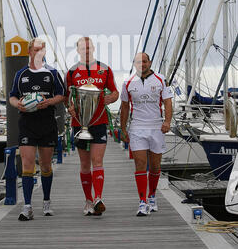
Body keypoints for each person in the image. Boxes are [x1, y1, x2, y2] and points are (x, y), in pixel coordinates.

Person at [9, 38, 65, 221]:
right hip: (27, 123)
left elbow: (62, 95)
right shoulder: (20, 74)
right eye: (35, 49)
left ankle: (46, 202)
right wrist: (19, 104)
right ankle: (27, 206)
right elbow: (12, 97)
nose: (38, 52)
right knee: (27, 165)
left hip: (47, 122)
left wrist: (49, 102)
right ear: (29, 51)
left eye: (42, 49)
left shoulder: (52, 73)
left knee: (46, 165)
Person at [65, 37, 119, 216]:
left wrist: (111, 98)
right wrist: (69, 107)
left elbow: (115, 92)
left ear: (93, 49)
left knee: (97, 160)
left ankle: (98, 198)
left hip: (100, 121)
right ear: (78, 50)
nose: (86, 51)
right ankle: (88, 200)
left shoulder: (104, 69)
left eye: (88, 48)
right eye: (82, 48)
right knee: (84, 163)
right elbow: (67, 97)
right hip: (79, 123)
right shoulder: (72, 72)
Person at [120, 52, 173, 216]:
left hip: (156, 126)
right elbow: (125, 107)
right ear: (134, 64)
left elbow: (168, 102)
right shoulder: (128, 82)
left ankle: (152, 196)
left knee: (155, 166)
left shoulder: (161, 80)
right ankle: (142, 202)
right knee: (140, 164)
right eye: (138, 62)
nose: (141, 64)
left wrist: (167, 121)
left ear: (149, 62)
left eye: (144, 61)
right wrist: (123, 128)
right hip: (137, 127)